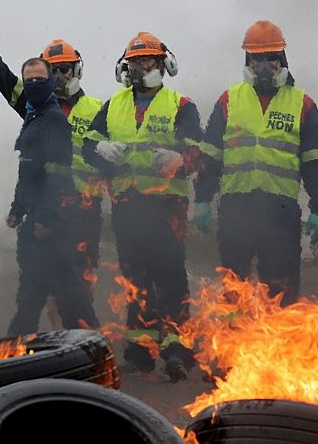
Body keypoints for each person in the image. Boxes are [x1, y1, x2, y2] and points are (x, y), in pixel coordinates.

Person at [83, 31, 202, 381]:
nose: (139, 68)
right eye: (134, 62)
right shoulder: (113, 105)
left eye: (146, 61)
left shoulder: (181, 105)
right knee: (135, 281)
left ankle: (178, 350)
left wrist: (179, 159)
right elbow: (88, 147)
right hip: (128, 207)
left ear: (165, 65)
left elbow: (201, 153)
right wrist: (100, 150)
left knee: (171, 280)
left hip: (167, 209)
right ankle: (140, 351)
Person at [194, 20, 318, 305]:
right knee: (234, 286)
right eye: (258, 58)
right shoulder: (228, 100)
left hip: (280, 211)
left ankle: (282, 343)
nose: (265, 64)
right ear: (248, 60)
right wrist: (203, 199)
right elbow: (210, 155)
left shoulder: (302, 104)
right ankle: (234, 341)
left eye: (271, 57)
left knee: (282, 288)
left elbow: (314, 161)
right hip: (236, 208)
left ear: (281, 60)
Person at [0, 33, 102, 328]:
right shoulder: (34, 107)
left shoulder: (97, 108)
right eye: (54, 69)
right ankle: (66, 337)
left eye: (65, 68)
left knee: (78, 276)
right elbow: (3, 79)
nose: (59, 76)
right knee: (52, 279)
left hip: (85, 204)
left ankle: (81, 336)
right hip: (52, 206)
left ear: (77, 69)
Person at [5, 56, 99, 335]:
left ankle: (88, 341)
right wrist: (17, 209)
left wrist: (45, 218)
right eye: (29, 80)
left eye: (39, 79)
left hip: (53, 218)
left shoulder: (54, 119)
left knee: (64, 289)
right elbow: (29, 171)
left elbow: (56, 174)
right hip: (37, 214)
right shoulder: (36, 115)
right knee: (38, 287)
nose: (34, 84)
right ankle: (20, 342)